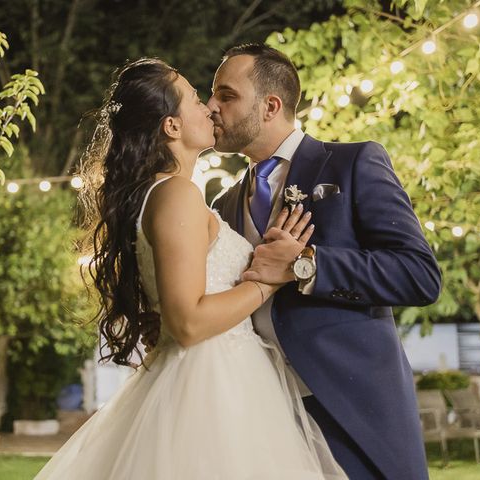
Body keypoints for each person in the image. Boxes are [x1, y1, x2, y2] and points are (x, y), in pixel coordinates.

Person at [33, 58, 347, 479]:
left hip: (224, 378)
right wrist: (268, 279)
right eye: (197, 99)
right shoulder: (176, 193)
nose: (210, 108)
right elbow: (187, 322)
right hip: (209, 387)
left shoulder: (179, 196)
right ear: (172, 127)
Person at [208, 44, 442, 480]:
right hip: (258, 415)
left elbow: (420, 275)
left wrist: (306, 264)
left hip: (352, 407)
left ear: (270, 105)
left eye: (226, 95)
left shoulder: (354, 162)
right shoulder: (221, 205)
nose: (211, 107)